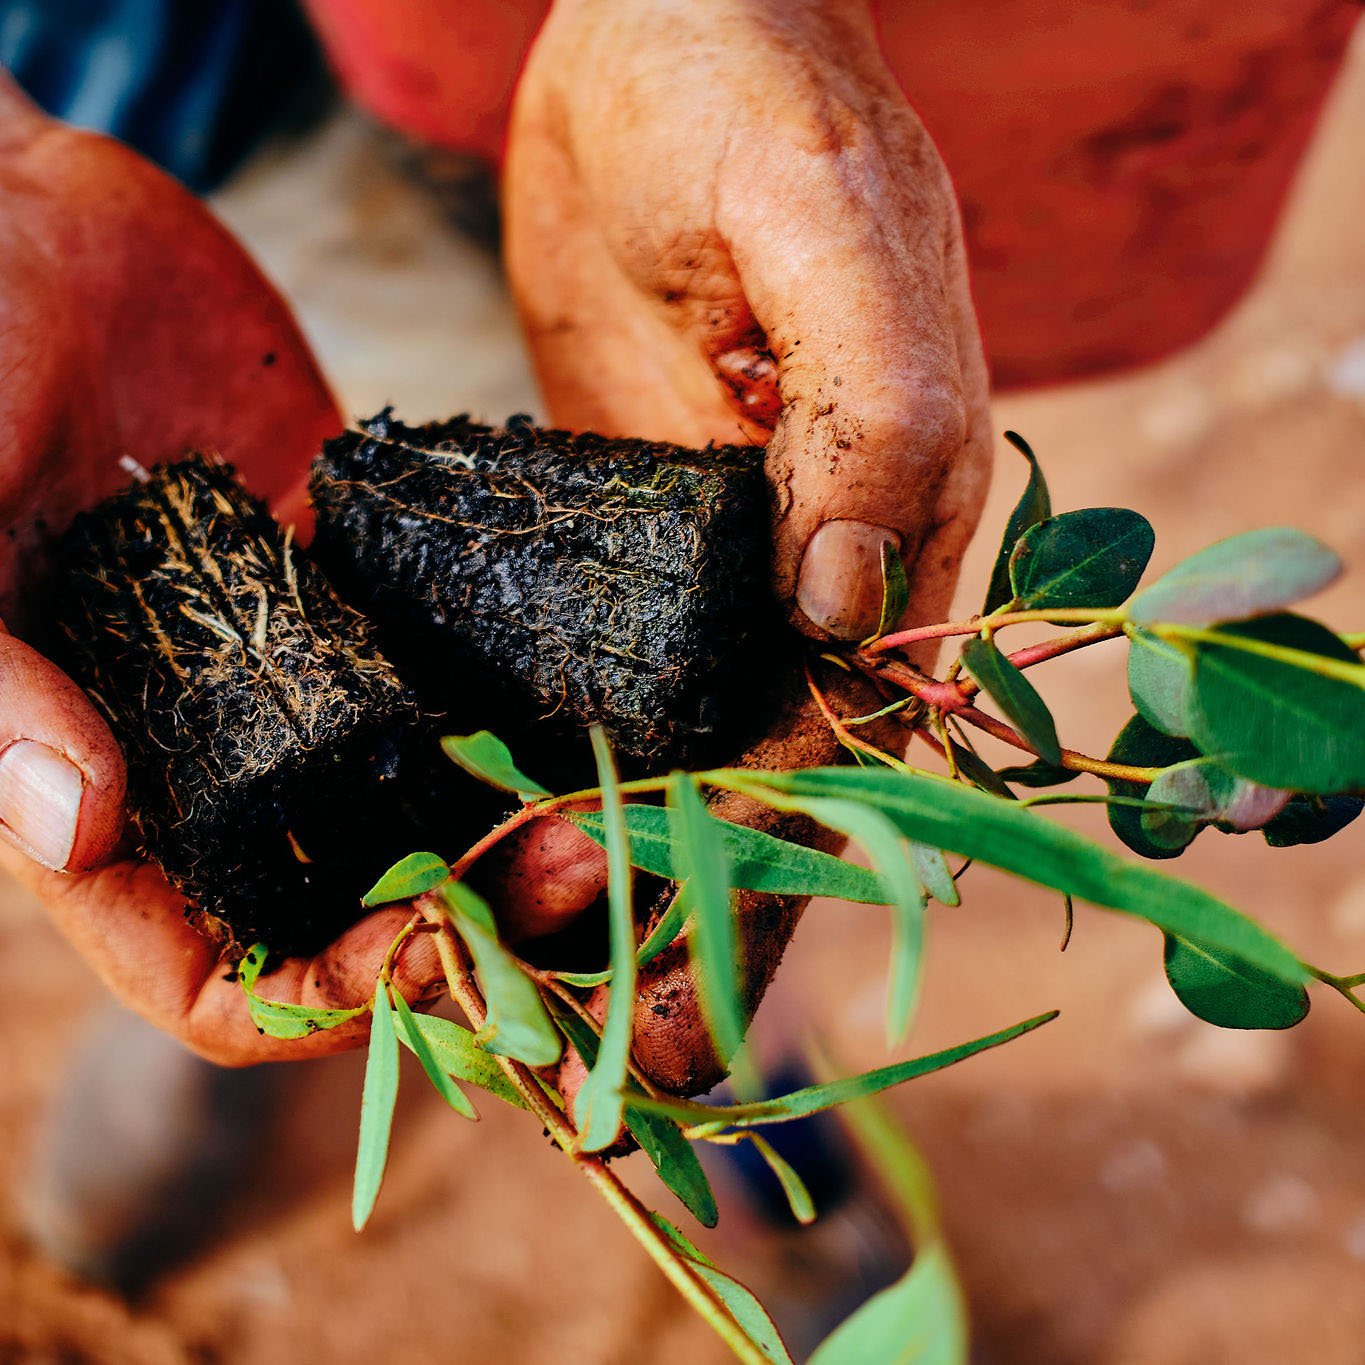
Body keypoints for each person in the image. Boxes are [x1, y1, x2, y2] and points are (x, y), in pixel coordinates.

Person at [0, 0, 1356, 1285]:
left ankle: (762, 1102)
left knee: (725, 816)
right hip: (189, 89)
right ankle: (288, 929)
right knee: (314, 514)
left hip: (843, 85)